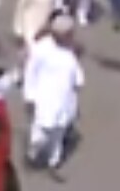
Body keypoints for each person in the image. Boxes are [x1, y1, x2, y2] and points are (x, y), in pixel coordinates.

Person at [23, 12, 84, 176]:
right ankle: (33, 154)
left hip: (65, 101)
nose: (71, 37)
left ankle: (53, 162)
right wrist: (29, 98)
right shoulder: (41, 49)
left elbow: (77, 77)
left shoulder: (70, 52)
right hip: (45, 99)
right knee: (40, 134)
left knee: (59, 133)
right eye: (68, 34)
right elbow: (30, 73)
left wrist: (76, 98)